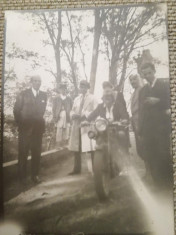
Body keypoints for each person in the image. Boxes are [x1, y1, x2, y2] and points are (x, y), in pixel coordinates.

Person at [138, 62, 172, 186]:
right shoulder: (143, 90)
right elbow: (141, 111)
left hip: (161, 127)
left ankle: (168, 182)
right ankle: (158, 183)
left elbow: (170, 103)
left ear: (154, 71)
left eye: (149, 73)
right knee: (151, 154)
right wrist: (140, 130)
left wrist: (158, 101)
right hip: (148, 129)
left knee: (163, 153)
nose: (148, 75)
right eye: (145, 74)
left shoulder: (164, 85)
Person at [87, 82, 130, 175]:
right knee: (97, 137)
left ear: (113, 97)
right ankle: (99, 162)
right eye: (105, 97)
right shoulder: (100, 106)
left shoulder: (118, 105)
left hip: (116, 128)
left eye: (109, 97)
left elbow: (125, 114)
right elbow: (92, 115)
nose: (107, 99)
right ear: (103, 98)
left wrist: (125, 119)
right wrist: (84, 121)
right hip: (104, 129)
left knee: (121, 135)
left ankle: (125, 162)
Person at [14, 75, 47, 185]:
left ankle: (35, 175)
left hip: (38, 130)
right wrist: (22, 125)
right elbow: (16, 110)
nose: (38, 83)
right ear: (31, 82)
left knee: (36, 153)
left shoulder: (43, 95)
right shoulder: (23, 94)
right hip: (25, 130)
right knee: (23, 153)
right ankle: (22, 178)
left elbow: (42, 111)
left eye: (39, 81)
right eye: (36, 81)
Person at [68, 80, 98, 175]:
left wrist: (86, 114)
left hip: (87, 124)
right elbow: (72, 110)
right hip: (77, 124)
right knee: (77, 147)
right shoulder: (77, 99)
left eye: (84, 86)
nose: (82, 88)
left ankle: (94, 169)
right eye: (81, 86)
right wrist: (72, 115)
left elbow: (96, 111)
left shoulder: (93, 98)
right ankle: (76, 169)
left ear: (88, 87)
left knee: (89, 147)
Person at [52, 83, 72, 148]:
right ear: (60, 90)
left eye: (65, 89)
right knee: (59, 129)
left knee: (66, 129)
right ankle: (58, 144)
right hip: (59, 116)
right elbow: (54, 109)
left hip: (67, 115)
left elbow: (71, 108)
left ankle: (64, 144)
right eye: (62, 89)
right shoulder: (56, 98)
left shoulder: (69, 99)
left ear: (66, 90)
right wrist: (55, 118)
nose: (63, 91)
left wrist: (70, 116)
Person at [129, 74, 143, 158]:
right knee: (140, 146)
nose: (132, 81)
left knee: (144, 146)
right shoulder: (134, 92)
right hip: (135, 122)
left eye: (134, 79)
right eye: (131, 80)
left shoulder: (142, 90)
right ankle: (147, 169)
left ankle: (149, 169)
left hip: (142, 122)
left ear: (139, 79)